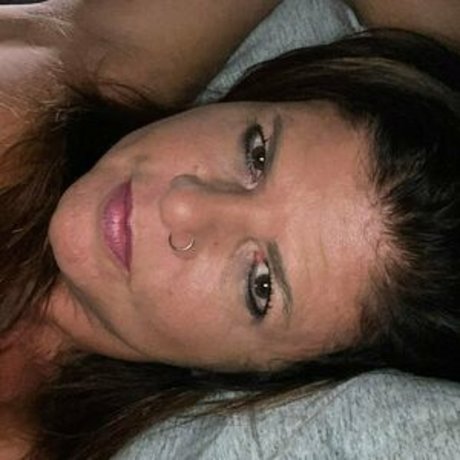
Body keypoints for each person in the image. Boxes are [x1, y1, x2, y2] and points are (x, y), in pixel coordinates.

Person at [0, 1, 460, 459]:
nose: (183, 204)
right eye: (256, 155)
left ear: (267, 373)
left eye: (260, 285)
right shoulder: (58, 92)